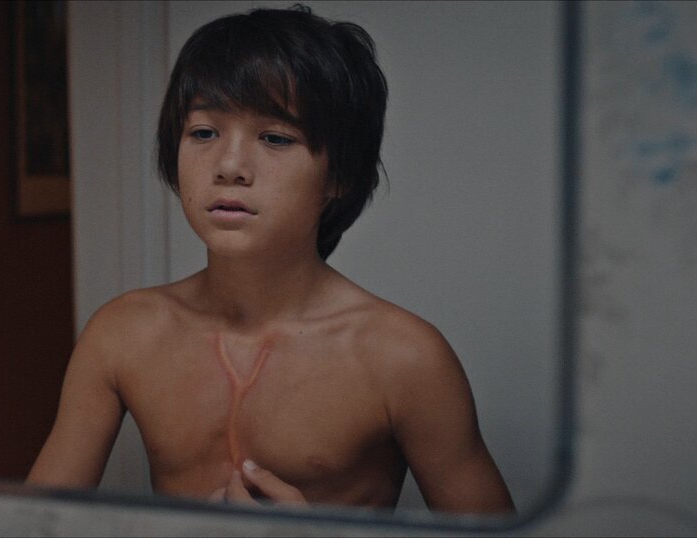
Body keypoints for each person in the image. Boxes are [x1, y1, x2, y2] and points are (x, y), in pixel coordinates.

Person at [25, 6, 515, 514]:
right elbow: (27, 525)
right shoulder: (124, 334)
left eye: (276, 138)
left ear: (339, 175)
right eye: (203, 133)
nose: (230, 166)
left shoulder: (403, 357)